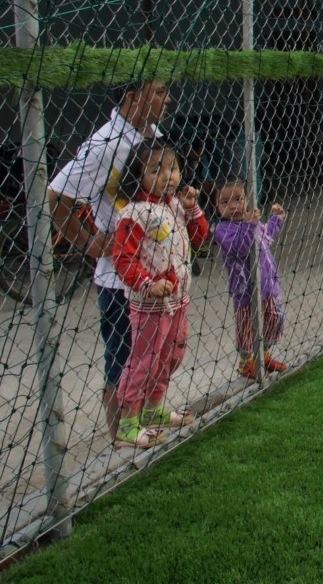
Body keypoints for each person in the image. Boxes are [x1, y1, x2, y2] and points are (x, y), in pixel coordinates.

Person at [47, 79, 172, 440]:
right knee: (123, 358)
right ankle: (119, 438)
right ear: (133, 97)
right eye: (160, 91)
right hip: (121, 280)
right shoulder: (105, 144)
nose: (168, 98)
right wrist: (88, 242)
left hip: (154, 273)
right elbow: (56, 197)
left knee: (153, 354)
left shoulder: (150, 133)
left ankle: (142, 427)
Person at [110, 139, 209, 449]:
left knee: (172, 354)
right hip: (151, 305)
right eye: (157, 170)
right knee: (145, 360)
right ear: (137, 175)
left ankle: (154, 408)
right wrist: (148, 283)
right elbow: (123, 259)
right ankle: (127, 422)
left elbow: (200, 237)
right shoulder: (134, 214)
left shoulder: (176, 205)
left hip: (178, 299)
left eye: (173, 168)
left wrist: (193, 209)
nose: (168, 176)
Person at [211, 178, 288, 379]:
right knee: (247, 327)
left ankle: (263, 354)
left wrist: (275, 219)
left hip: (267, 284)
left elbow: (266, 236)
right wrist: (249, 224)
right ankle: (246, 362)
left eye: (239, 199)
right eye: (225, 202)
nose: (234, 206)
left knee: (274, 317)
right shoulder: (223, 230)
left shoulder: (251, 223)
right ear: (217, 207)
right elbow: (241, 246)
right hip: (245, 289)